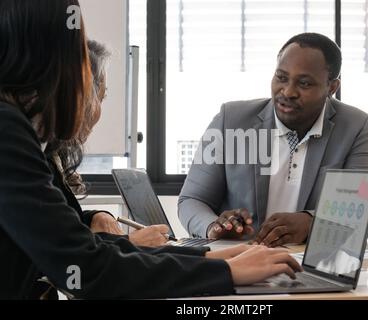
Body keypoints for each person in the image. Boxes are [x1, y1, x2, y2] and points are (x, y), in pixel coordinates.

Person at [0, 0, 301, 299]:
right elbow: (85, 266)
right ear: (51, 50)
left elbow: (89, 249)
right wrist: (227, 272)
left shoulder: (19, 130)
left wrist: (211, 259)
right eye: (76, 48)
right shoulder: (7, 129)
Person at [178, 32, 368, 247]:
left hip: (307, 266)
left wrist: (311, 223)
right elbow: (192, 200)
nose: (288, 92)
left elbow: (360, 214)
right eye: (281, 78)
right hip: (239, 261)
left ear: (332, 88)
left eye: (305, 83)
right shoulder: (231, 120)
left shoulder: (355, 127)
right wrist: (213, 227)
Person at [47, 39, 170, 248]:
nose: (98, 113)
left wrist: (94, 217)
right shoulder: (31, 158)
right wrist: (128, 242)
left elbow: (56, 223)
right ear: (79, 96)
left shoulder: (52, 156)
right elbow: (56, 250)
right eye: (100, 98)